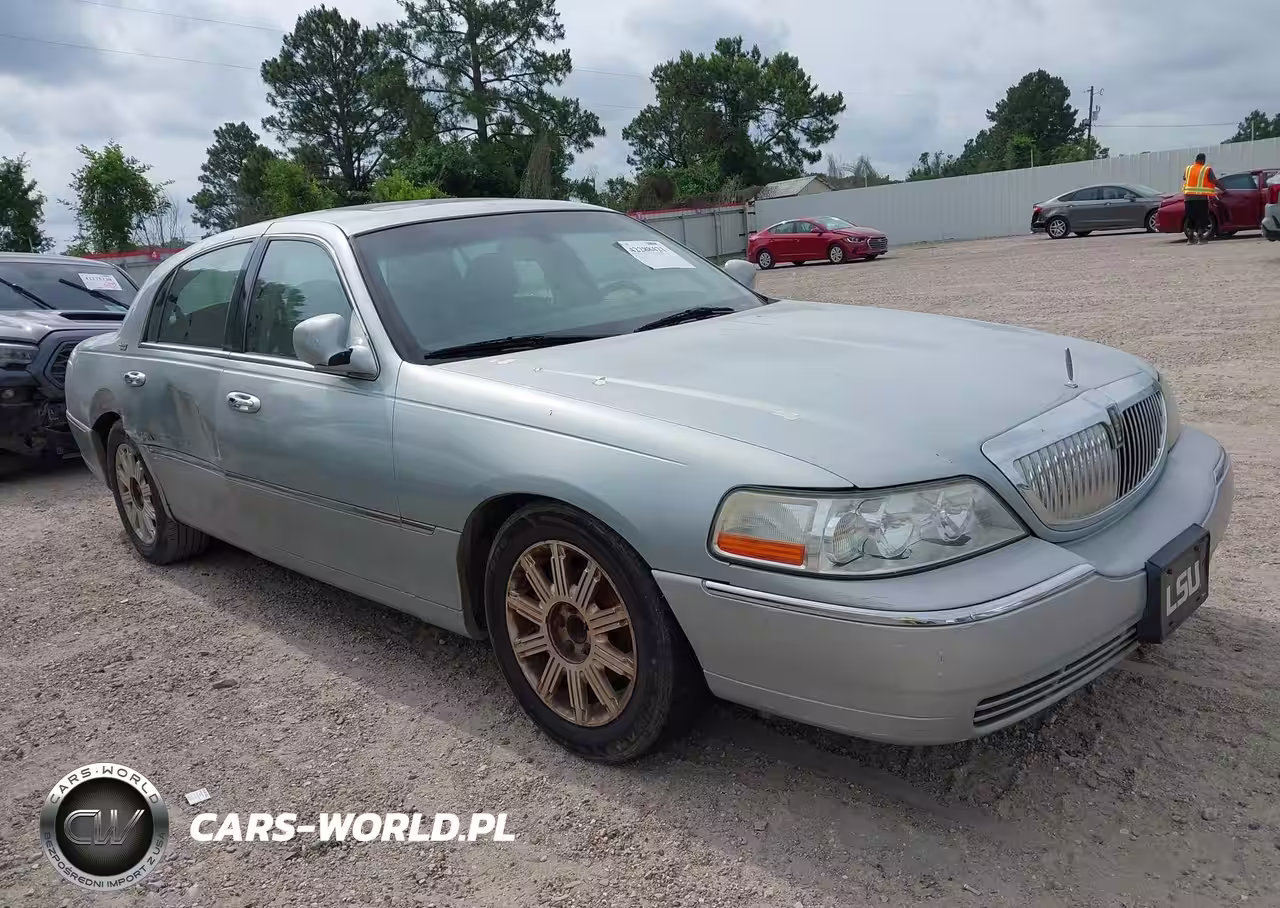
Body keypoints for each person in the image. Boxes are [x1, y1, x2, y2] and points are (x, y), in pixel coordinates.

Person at [1182, 153, 1219, 244]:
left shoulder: (1188, 168)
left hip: (1188, 198)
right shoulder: (1206, 169)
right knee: (1202, 217)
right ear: (1204, 160)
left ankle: (1190, 238)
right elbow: (1214, 181)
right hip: (1201, 198)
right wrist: (1224, 189)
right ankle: (1200, 237)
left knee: (1191, 217)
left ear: (1196, 160)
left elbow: (1184, 178)